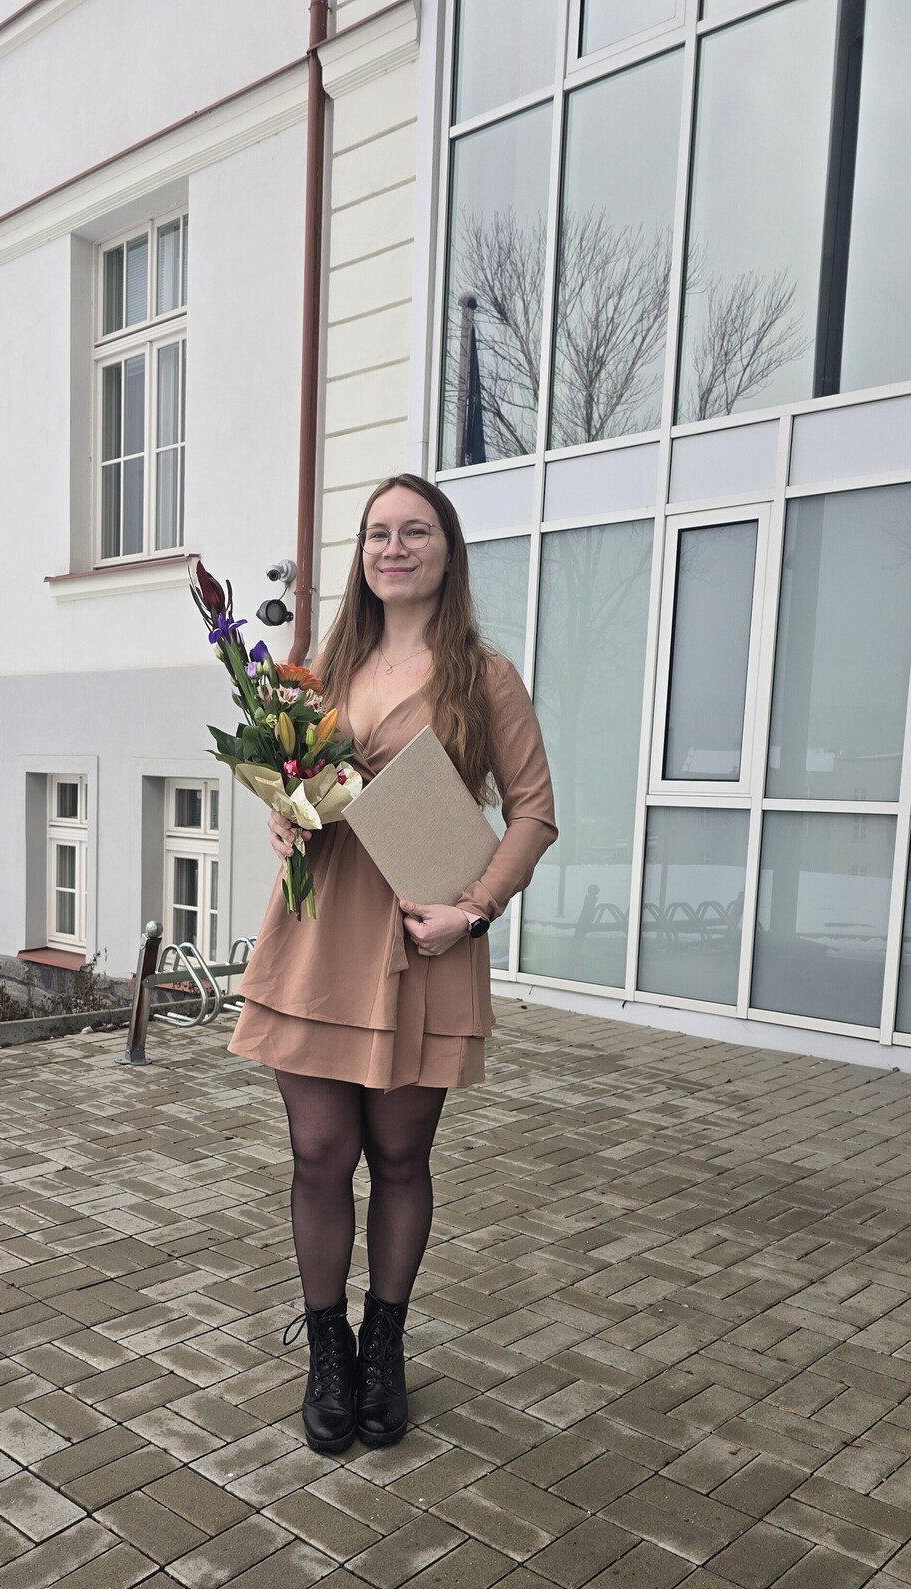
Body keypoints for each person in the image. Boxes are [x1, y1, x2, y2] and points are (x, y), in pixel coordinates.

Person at [228, 474, 557, 1454]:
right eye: (379, 532)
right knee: (320, 1153)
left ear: (447, 552)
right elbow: (291, 783)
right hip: (321, 935)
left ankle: (385, 1344)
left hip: (423, 939)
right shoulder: (321, 669)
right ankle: (328, 1347)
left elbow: (534, 813)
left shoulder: (483, 677)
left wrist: (473, 909)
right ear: (362, 554)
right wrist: (283, 820)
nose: (394, 547)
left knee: (402, 1157)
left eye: (415, 531)